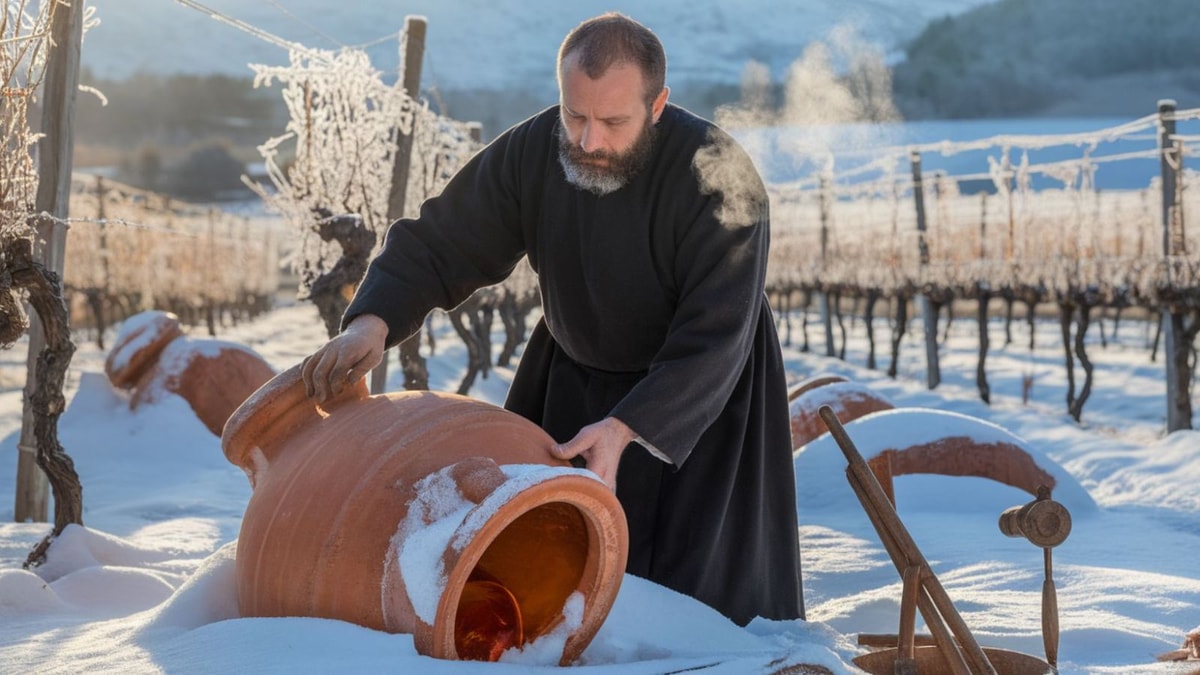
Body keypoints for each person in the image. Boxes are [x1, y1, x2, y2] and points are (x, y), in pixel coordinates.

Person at [301, 12, 804, 626]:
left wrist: (627, 428)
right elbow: (440, 240)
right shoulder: (533, 150)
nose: (589, 141)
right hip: (572, 381)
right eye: (575, 115)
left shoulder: (720, 173)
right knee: (552, 581)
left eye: (613, 122)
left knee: (693, 610)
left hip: (695, 406)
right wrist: (373, 322)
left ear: (659, 104)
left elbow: (718, 332)